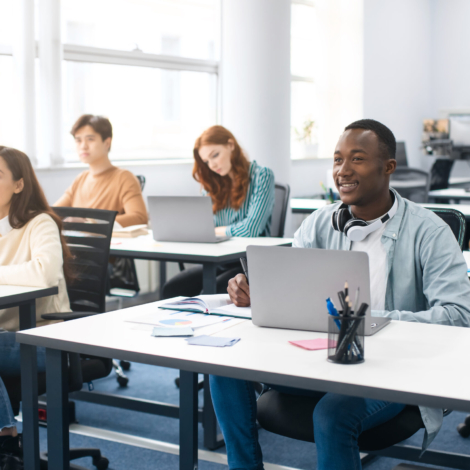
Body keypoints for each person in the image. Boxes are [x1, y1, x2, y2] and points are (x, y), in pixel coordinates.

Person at [210, 119, 470, 470]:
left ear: (388, 167)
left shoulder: (429, 232)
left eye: (357, 159)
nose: (343, 170)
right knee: (223, 368)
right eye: (337, 160)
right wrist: (254, 291)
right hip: (319, 358)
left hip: (393, 369)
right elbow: (289, 289)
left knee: (332, 415)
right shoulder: (320, 222)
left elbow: (458, 314)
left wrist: (372, 322)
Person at [0, 146, 72, 461]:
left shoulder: (39, 222)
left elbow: (46, 273)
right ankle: (7, 438)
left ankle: (6, 440)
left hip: (45, 338)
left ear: (19, 184)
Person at [162, 125, 275, 299]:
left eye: (215, 155)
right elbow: (204, 228)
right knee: (172, 289)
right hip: (219, 262)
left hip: (249, 263)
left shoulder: (262, 176)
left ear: (231, 145)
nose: (212, 165)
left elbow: (251, 229)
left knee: (208, 293)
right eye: (206, 161)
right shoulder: (212, 184)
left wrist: (216, 231)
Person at [55, 114, 148, 228]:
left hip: (106, 244)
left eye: (90, 139)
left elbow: (139, 218)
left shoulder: (124, 178)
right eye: (78, 140)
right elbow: (54, 213)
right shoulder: (81, 179)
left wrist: (88, 222)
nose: (83, 146)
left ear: (107, 143)